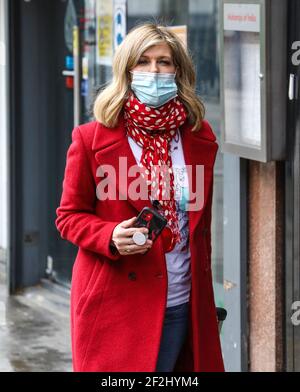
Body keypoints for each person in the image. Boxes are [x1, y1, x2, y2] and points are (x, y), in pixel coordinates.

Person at [55, 23, 225, 372]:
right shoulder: (90, 139)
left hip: (181, 298)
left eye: (164, 61)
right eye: (143, 61)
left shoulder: (198, 136)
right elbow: (68, 216)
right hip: (117, 302)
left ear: (178, 69)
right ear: (127, 70)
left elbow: (198, 226)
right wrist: (110, 236)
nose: (154, 71)